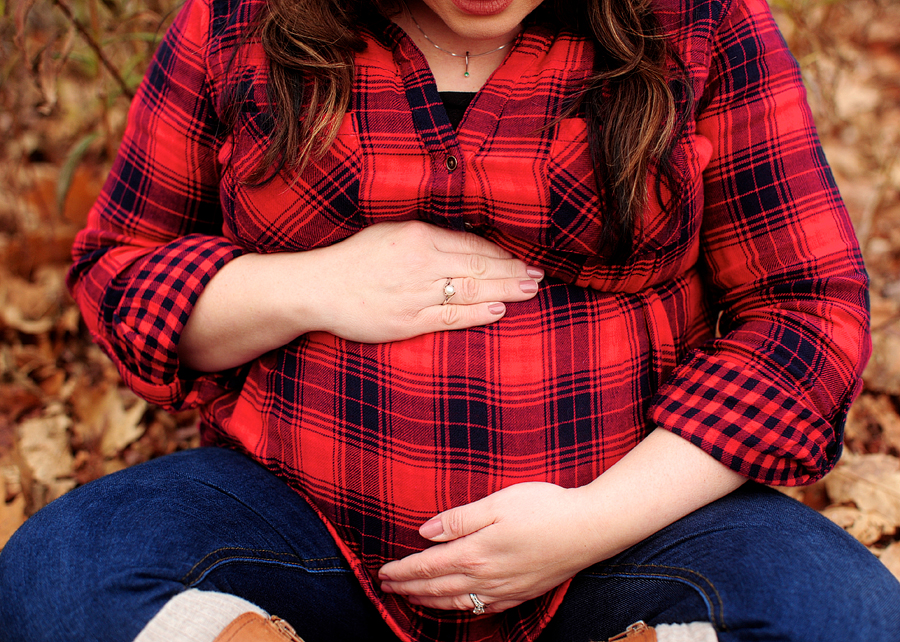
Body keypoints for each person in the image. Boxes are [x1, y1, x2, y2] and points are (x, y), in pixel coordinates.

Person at [1, 0, 898, 640]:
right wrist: (311, 285)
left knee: (838, 615)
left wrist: (591, 522)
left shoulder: (701, 23)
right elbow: (121, 270)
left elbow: (806, 310)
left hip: (626, 543)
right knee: (63, 574)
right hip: (300, 530)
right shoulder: (236, 21)